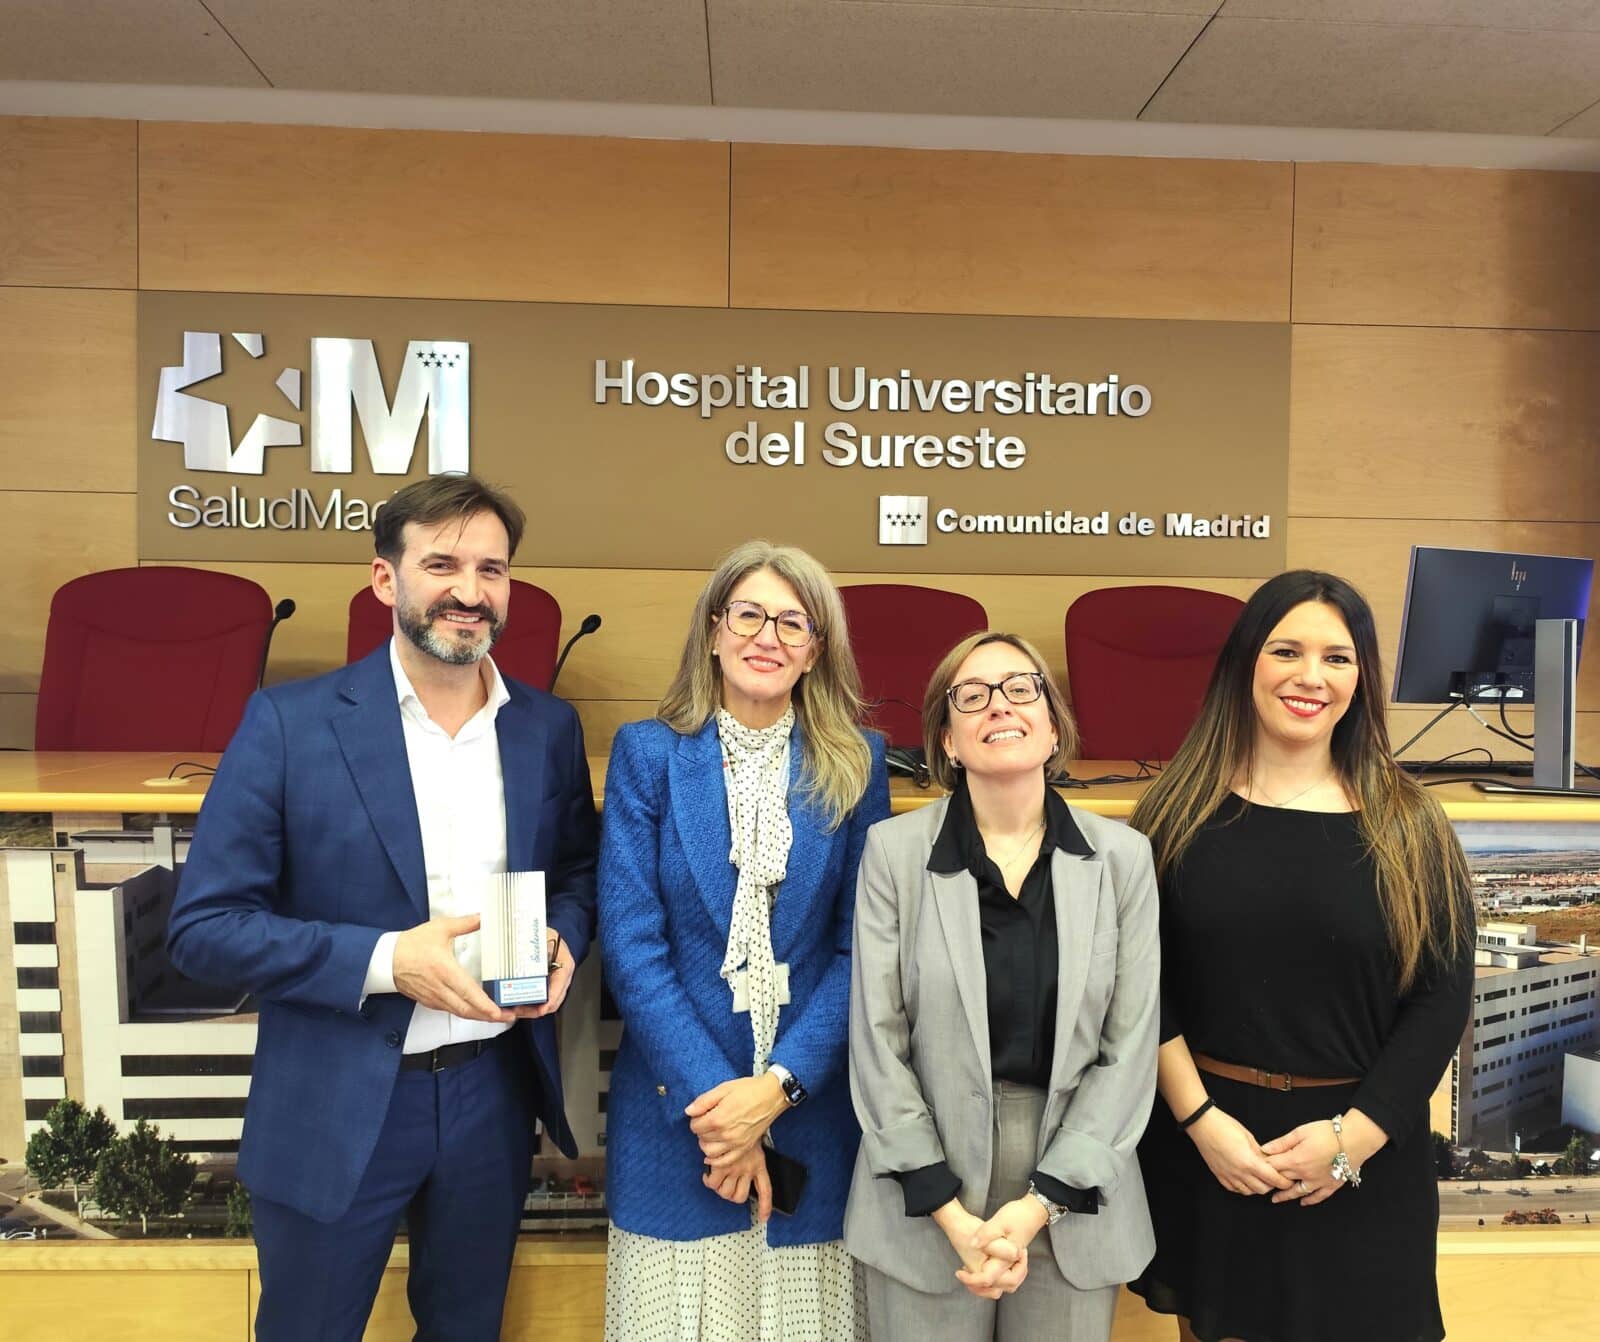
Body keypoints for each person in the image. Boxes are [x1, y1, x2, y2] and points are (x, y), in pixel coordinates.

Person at [167, 475, 598, 1342]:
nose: (470, 592)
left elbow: (579, 872)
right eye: (442, 565)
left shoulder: (546, 729)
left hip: (491, 1093)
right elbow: (203, 930)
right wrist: (385, 961)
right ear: (384, 578)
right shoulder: (289, 724)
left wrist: (565, 936)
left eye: (491, 569)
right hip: (335, 1101)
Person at [1127, 570, 1475, 1342]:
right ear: (1245, 661)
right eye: (1287, 651)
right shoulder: (1177, 813)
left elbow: (1442, 999)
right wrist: (1201, 1123)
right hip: (1216, 1153)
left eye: (1337, 658)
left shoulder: (1410, 823)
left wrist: (1353, 1140)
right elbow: (1142, 989)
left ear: (1362, 677)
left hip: (1363, 1160)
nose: (1311, 676)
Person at [599, 540, 890, 1342]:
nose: (768, 637)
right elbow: (632, 947)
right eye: (749, 615)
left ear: (815, 650)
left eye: (793, 623)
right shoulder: (649, 754)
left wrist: (778, 1091)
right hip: (679, 1118)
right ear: (714, 631)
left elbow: (862, 950)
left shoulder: (856, 762)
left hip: (810, 1114)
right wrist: (726, 1116)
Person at [845, 631, 1160, 1342]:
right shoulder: (894, 854)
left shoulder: (1123, 859)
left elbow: (1131, 1046)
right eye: (973, 696)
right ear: (947, 741)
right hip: (924, 1184)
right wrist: (947, 1209)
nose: (1000, 706)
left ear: (1053, 728)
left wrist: (1040, 1204)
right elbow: (876, 1039)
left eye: (1022, 689)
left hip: (1075, 1181)